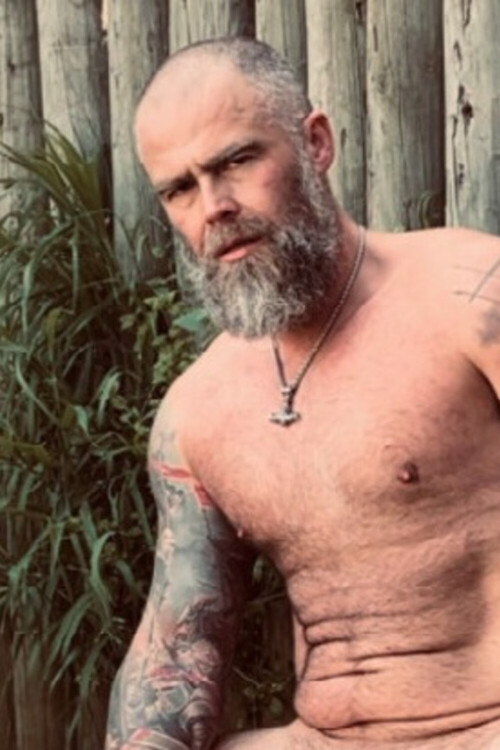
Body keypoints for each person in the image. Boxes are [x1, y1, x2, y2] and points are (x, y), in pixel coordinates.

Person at [105, 36, 500, 750]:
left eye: (236, 161)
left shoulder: (470, 297)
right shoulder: (196, 413)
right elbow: (174, 655)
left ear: (315, 143)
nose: (214, 207)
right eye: (179, 189)